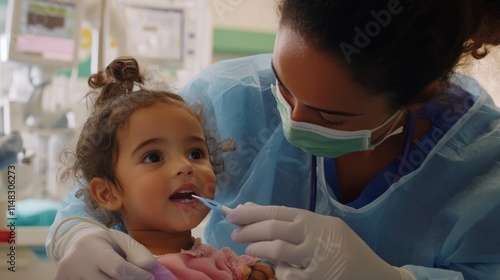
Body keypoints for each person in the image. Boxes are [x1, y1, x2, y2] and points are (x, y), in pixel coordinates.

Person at [46, 0, 500, 279]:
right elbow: (99, 183)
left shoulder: (483, 168)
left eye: (330, 115)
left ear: (418, 98)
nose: (292, 121)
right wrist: (77, 234)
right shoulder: (230, 98)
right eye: (281, 85)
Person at [50, 56, 275, 280]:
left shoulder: (227, 263)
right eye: (153, 157)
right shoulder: (122, 273)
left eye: (195, 153)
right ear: (108, 193)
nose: (185, 166)